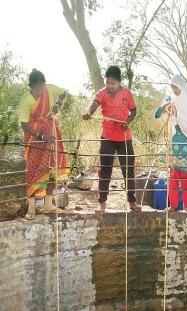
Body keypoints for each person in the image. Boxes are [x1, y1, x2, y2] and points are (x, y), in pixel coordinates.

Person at [82, 66, 140, 213]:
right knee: (105, 170)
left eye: (112, 83)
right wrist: (89, 112)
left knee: (128, 171)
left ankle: (132, 202)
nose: (109, 86)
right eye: (107, 82)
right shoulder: (102, 93)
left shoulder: (127, 93)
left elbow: (133, 111)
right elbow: (94, 103)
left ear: (119, 82)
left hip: (125, 138)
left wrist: (128, 121)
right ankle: (102, 203)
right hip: (107, 137)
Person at [19, 69, 68, 220]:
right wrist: (41, 135)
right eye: (37, 88)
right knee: (34, 170)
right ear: (30, 86)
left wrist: (58, 104)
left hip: (52, 133)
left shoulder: (50, 89)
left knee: (51, 168)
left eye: (42, 87)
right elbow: (24, 124)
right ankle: (31, 208)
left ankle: (48, 204)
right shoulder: (26, 100)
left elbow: (64, 92)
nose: (40, 91)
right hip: (35, 138)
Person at [155, 74, 187, 214]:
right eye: (172, 87)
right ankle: (173, 205)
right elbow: (157, 114)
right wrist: (163, 107)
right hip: (175, 142)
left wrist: (177, 112)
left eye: (175, 87)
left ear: (181, 86)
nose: (173, 89)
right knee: (173, 175)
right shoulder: (171, 99)